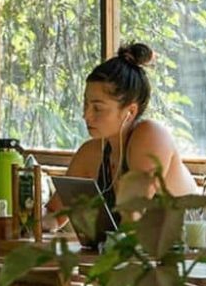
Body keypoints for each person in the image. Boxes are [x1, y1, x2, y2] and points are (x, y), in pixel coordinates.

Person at [49, 43, 198, 221]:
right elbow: (53, 214)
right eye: (86, 104)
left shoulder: (151, 136)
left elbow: (133, 216)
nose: (86, 115)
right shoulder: (90, 153)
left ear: (130, 112)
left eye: (97, 108)